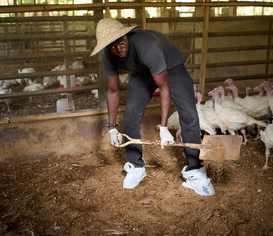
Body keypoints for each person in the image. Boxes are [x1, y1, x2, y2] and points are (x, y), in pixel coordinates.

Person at [90, 18, 215, 197]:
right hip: (142, 73)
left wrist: (163, 128)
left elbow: (164, 87)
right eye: (112, 46)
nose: (118, 48)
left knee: (189, 114)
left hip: (171, 68)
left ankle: (195, 170)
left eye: (121, 41)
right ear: (106, 47)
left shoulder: (146, 46)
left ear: (126, 36)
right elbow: (113, 91)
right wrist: (111, 127)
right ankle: (136, 166)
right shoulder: (108, 57)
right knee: (131, 113)